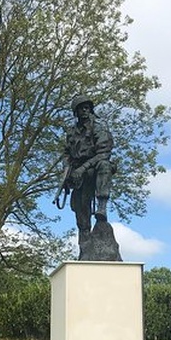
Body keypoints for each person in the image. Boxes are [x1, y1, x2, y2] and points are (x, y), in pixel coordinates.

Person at [61, 94, 114, 244]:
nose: (85, 110)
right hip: (78, 173)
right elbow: (66, 153)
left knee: (105, 165)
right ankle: (84, 246)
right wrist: (66, 172)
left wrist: (83, 168)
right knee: (81, 210)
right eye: (81, 108)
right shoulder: (71, 132)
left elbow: (104, 153)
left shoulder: (99, 128)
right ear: (75, 112)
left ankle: (101, 207)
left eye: (87, 108)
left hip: (95, 167)